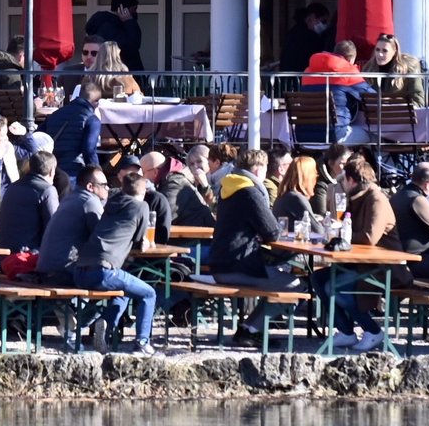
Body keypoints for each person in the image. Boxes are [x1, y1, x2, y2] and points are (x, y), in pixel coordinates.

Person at [205, 150, 305, 342]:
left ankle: (249, 328)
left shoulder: (230, 188)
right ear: (259, 169)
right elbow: (272, 231)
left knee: (281, 277)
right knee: (297, 285)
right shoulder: (250, 192)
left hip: (220, 263)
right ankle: (250, 329)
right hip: (238, 266)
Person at [312, 155, 392, 352]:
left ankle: (372, 330)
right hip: (358, 260)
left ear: (350, 180)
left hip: (381, 265)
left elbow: (369, 237)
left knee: (333, 286)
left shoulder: (376, 199)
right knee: (317, 278)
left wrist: (341, 236)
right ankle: (346, 332)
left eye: (343, 180)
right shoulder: (358, 197)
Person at [75, 169, 157, 354]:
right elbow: (139, 240)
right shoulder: (141, 206)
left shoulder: (111, 203)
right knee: (149, 294)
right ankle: (142, 343)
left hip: (80, 270)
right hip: (103, 270)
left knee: (125, 291)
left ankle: (106, 321)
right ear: (142, 191)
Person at [299, 41, 375, 145]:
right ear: (351, 59)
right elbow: (372, 98)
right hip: (334, 135)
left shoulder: (308, 72)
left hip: (303, 134)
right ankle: (369, 162)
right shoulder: (347, 71)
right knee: (374, 134)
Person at [389, 159, 429, 279]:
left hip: (402, 257)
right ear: (428, 184)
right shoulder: (417, 199)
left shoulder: (398, 195)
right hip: (417, 259)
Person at [0, 151, 58, 255]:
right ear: (52, 171)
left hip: (0, 254)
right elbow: (54, 228)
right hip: (24, 258)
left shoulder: (13, 187)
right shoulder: (47, 190)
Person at [41, 81, 104, 176]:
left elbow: (38, 137)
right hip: (75, 171)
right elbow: (89, 151)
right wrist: (96, 174)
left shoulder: (55, 114)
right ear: (96, 102)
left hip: (51, 171)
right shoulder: (92, 120)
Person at [84, 0, 145, 76]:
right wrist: (130, 22)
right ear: (124, 9)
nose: (135, 12)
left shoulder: (104, 23)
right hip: (119, 78)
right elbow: (131, 47)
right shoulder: (111, 27)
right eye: (134, 9)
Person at [159, 146, 217, 228]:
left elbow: (217, 209)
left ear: (209, 161)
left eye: (199, 161)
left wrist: (205, 186)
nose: (196, 166)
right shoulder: (186, 183)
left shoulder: (219, 179)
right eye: (192, 164)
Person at [362, 34, 425, 105]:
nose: (380, 54)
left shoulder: (409, 69)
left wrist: (395, 103)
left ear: (395, 52)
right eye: (377, 50)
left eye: (384, 51)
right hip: (373, 114)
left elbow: (418, 100)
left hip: (400, 113)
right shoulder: (368, 69)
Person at [279, 3, 335, 74]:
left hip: (290, 78)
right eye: (323, 21)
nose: (325, 25)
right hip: (300, 76)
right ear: (312, 17)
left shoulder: (294, 31)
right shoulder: (308, 37)